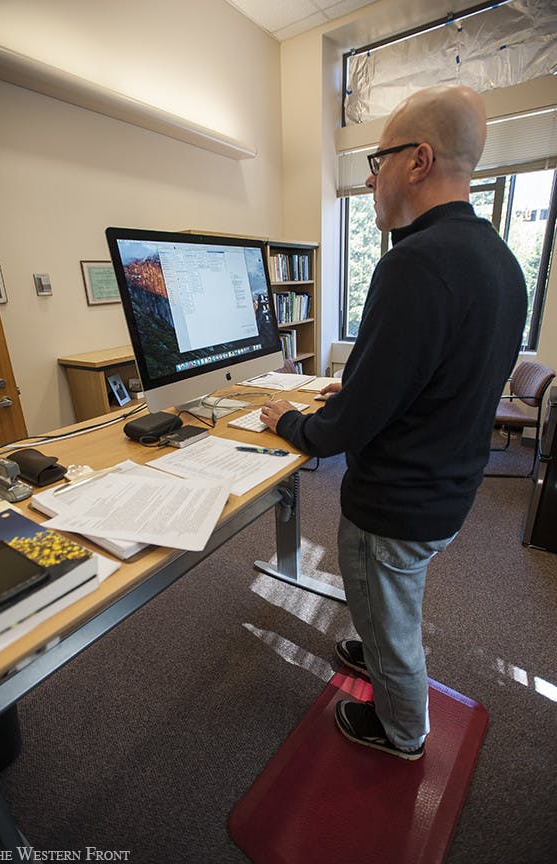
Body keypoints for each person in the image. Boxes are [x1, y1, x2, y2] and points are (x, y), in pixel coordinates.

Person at [260, 84, 527, 761]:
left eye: (376, 160)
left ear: (418, 159)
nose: (371, 179)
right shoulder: (499, 260)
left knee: (392, 617)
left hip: (395, 505)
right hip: (448, 488)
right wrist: (372, 378)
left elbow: (341, 432)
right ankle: (374, 643)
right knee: (394, 599)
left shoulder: (412, 262)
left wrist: (292, 421)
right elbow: (448, 374)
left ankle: (402, 732)